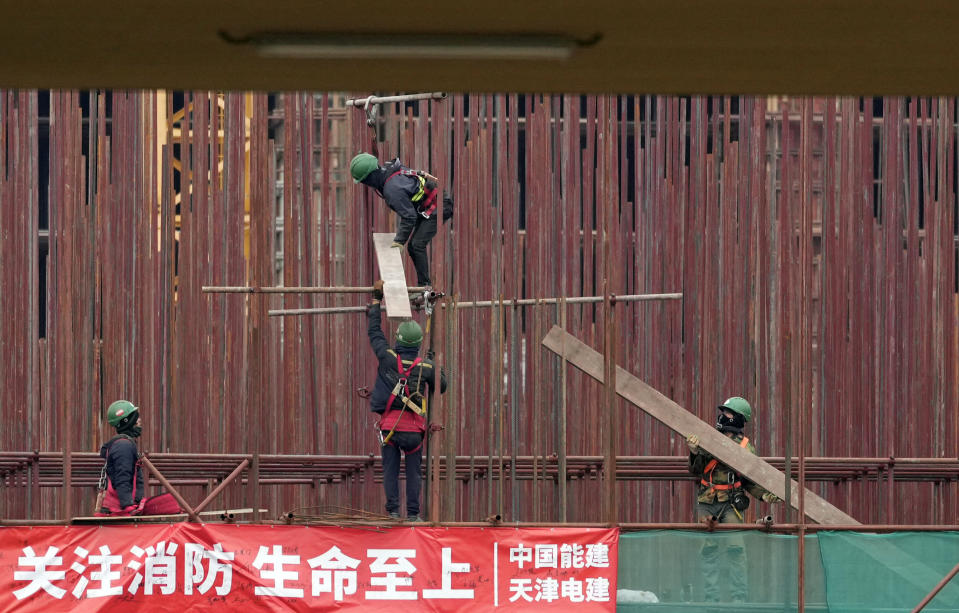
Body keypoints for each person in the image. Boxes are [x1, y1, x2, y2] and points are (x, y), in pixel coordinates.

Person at [686, 396, 782, 604]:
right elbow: (696, 470)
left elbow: (749, 479)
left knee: (735, 551)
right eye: (723, 413)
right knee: (708, 551)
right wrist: (693, 452)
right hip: (708, 501)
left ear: (739, 419)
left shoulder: (746, 447)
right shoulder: (708, 438)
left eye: (728, 414)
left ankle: (739, 600)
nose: (723, 416)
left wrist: (764, 495)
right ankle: (711, 601)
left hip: (731, 504)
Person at [367, 280, 447, 521]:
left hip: (390, 428)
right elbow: (442, 385)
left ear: (399, 340)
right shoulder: (425, 366)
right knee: (414, 472)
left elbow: (374, 332)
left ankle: (393, 511)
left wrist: (376, 300)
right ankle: (413, 515)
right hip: (413, 430)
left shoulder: (387, 357)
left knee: (390, 471)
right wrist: (435, 366)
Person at [350, 152, 453, 288]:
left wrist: (399, 242)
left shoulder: (392, 190)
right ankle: (424, 285)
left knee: (416, 245)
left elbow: (409, 217)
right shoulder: (387, 170)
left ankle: (425, 287)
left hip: (439, 206)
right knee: (413, 246)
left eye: (364, 181)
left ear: (370, 178)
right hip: (427, 203)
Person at [96, 399, 144, 516]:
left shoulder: (122, 444)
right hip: (119, 511)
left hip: (119, 509)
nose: (139, 420)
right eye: (136, 418)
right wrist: (128, 506)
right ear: (127, 421)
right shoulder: (124, 446)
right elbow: (123, 476)